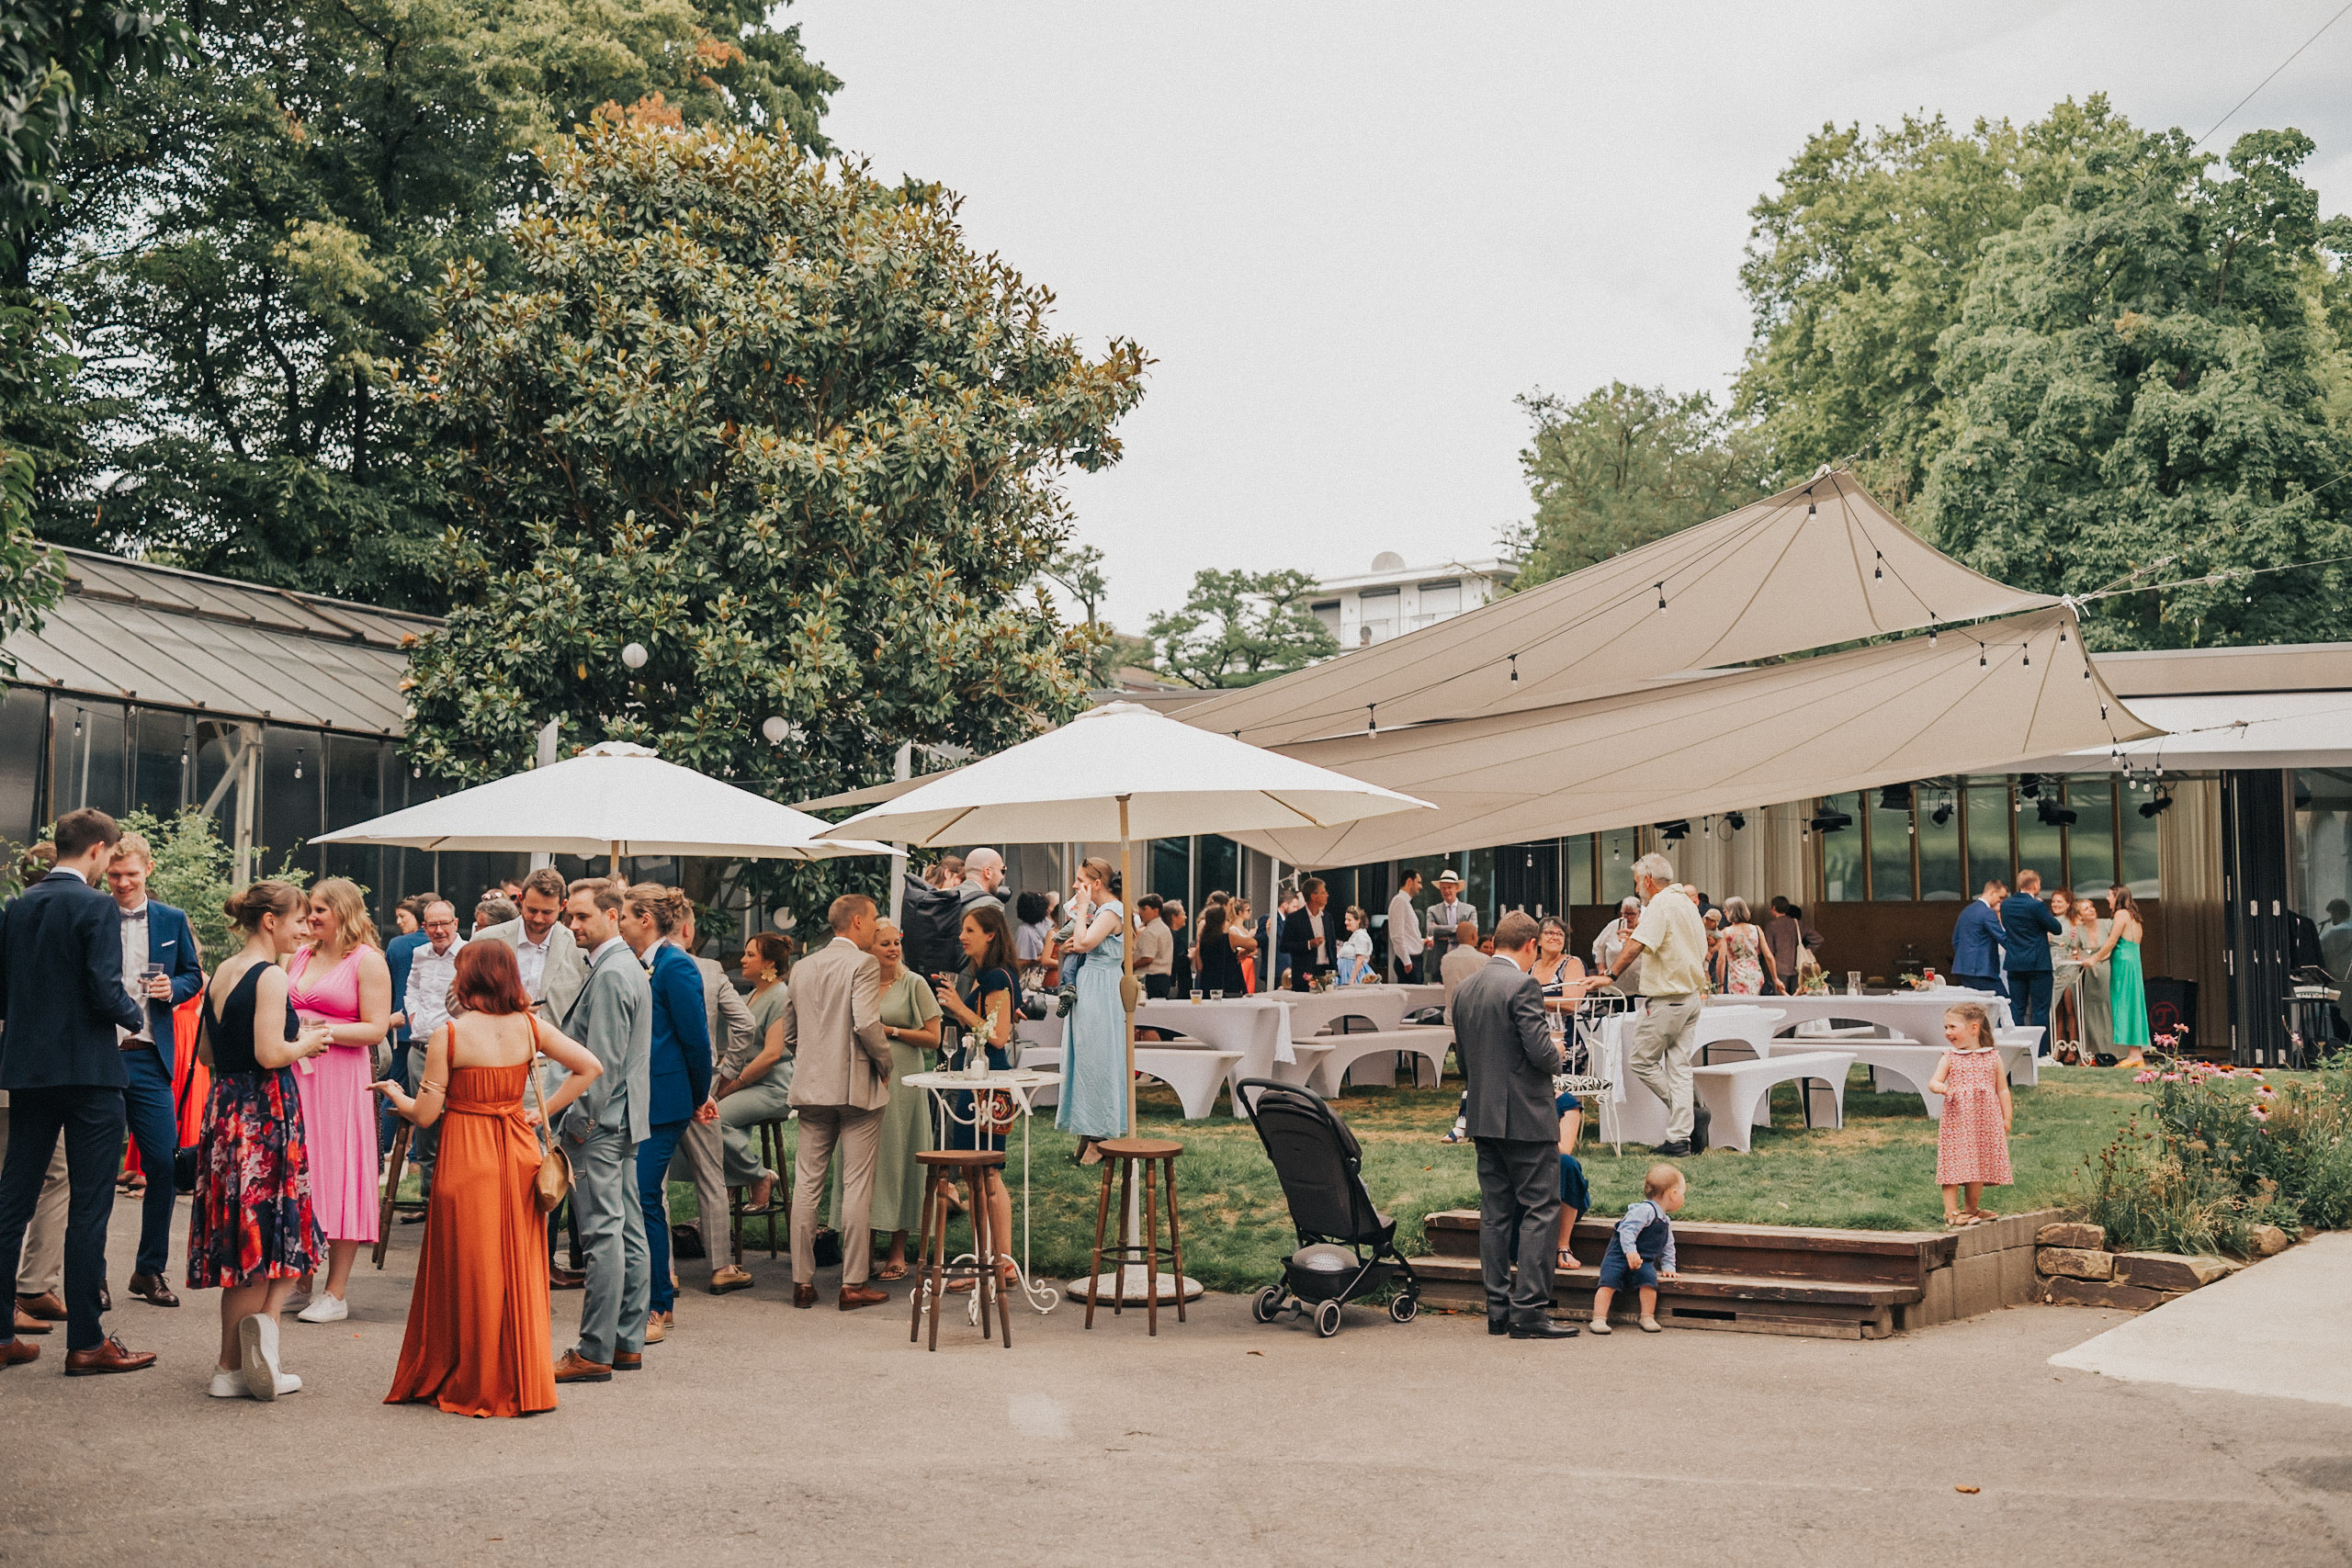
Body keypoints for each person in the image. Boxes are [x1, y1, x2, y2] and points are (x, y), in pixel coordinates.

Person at [376, 941, 603, 1416]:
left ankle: (474, 1374)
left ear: (469, 979)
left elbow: (426, 1114)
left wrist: (395, 1093)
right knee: (516, 1265)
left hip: (466, 1157)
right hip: (518, 1151)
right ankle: (519, 1376)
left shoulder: (450, 1035)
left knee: (471, 1268)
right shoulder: (529, 1026)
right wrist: (541, 1114)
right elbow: (590, 1067)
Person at [0, 808, 158, 1375]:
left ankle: (0, 1335)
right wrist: (134, 1016)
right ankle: (88, 1342)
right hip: (90, 1071)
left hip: (29, 1070)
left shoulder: (19, 906)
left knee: (12, 1201)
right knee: (89, 1207)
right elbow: (102, 988)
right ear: (97, 849)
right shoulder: (96, 906)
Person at [187, 882, 334, 1398]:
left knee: (247, 1239)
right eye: (299, 920)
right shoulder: (270, 975)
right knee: (271, 1235)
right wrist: (307, 1042)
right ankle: (237, 1363)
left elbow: (206, 1054)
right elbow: (272, 1054)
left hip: (226, 1111)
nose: (306, 929)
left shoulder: (224, 971)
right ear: (270, 921)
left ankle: (242, 1360)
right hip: (265, 1113)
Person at [1453, 910, 1573, 1340]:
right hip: (1526, 1115)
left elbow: (1463, 1060)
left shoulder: (1465, 989)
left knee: (1495, 1213)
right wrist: (1557, 1051)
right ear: (1530, 945)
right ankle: (1530, 1311)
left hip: (1483, 1115)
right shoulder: (1523, 985)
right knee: (1541, 1209)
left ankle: (1498, 1310)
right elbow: (1541, 1053)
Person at [552, 877, 651, 1382]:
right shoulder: (623, 966)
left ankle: (595, 1350)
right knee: (626, 1230)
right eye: (570, 916)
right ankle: (625, 1343)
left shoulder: (613, 971)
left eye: (582, 916)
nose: (573, 925)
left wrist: (579, 1122)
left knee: (603, 1235)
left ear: (613, 915)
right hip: (623, 1118)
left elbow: (604, 1062)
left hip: (602, 1122)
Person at [102, 832, 206, 1309]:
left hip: (148, 1055)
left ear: (148, 869)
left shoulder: (171, 918)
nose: (123, 883)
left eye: (131, 874)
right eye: (114, 875)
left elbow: (192, 974)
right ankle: (93, 1275)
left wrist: (173, 988)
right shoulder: (94, 913)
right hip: (101, 1055)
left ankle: (149, 1269)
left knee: (163, 1164)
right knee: (98, 1169)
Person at [282, 878, 392, 1325]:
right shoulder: (299, 954)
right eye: (309, 909)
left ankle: (336, 1291)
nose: (310, 917)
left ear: (344, 912)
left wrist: (322, 1031)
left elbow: (376, 1028)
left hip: (341, 1078)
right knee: (303, 1171)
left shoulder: (369, 961)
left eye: (319, 910)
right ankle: (301, 1281)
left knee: (340, 1171)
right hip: (297, 1073)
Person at [786, 893, 892, 1312]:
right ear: (858, 922)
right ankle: (853, 1283)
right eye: (874, 918)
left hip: (810, 1088)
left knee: (806, 1184)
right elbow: (866, 1023)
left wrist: (811, 1059)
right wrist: (884, 1062)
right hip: (854, 1087)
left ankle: (802, 1282)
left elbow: (790, 1033)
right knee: (856, 1184)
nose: (877, 924)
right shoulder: (863, 964)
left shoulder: (802, 966)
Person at [617, 885, 713, 1344]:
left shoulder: (676, 965)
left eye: (623, 915)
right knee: (635, 1197)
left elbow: (696, 1039)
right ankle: (644, 1296)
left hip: (666, 1100)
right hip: (633, 1097)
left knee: (643, 1196)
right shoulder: (632, 962)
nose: (618, 922)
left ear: (646, 919)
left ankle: (658, 1303)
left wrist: (698, 1096)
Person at [662, 898, 756, 1297]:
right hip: (701, 1088)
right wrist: (725, 1074)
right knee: (711, 1177)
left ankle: (664, 1270)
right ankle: (721, 1267)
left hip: (657, 1085)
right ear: (687, 929)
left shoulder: (641, 966)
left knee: (656, 1184)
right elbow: (745, 1024)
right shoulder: (709, 969)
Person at [841, 919, 937, 1281]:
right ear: (869, 949)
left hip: (902, 1080)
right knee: (865, 1160)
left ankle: (897, 1251)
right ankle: (862, 1249)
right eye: (885, 944)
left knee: (899, 1157)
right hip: (862, 1077)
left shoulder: (914, 984)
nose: (894, 949)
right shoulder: (859, 983)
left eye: (896, 943)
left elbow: (934, 1037)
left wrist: (891, 1030)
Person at [931, 905, 1021, 1289]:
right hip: (981, 1080)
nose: (962, 937)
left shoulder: (997, 976)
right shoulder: (989, 976)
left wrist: (958, 1007)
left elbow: (997, 1036)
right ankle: (992, 1262)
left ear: (990, 934)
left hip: (989, 1083)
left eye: (970, 930)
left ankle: (996, 1263)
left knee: (986, 1172)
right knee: (976, 1174)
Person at [1595, 855, 1709, 1157]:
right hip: (1690, 997)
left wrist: (1610, 975)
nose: (1637, 889)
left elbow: (1637, 944)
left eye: (1636, 882)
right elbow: (1701, 949)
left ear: (1647, 880)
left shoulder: (1660, 904)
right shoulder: (1687, 902)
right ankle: (1679, 1138)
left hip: (1667, 999)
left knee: (1641, 1061)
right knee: (1680, 1068)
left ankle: (1687, 1120)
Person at [393, 897, 467, 1216]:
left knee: (458, 1125)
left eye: (444, 924)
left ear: (455, 923)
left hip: (456, 1051)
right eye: (432, 925)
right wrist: (413, 1016)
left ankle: (456, 1204)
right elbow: (410, 988)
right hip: (421, 1049)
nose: (439, 930)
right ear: (424, 927)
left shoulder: (468, 954)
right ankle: (429, 1201)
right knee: (426, 1126)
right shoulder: (419, 953)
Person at [717, 932, 797, 1224]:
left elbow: (771, 1055)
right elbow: (737, 1049)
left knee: (715, 1119)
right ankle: (731, 1177)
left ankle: (758, 1177)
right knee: (698, 1112)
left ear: (769, 963)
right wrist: (717, 1081)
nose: (742, 960)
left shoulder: (781, 997)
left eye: (750, 954)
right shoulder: (750, 996)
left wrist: (732, 1085)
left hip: (773, 1086)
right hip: (748, 1083)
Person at [1056, 858, 1128, 1158]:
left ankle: (1099, 1136)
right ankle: (1087, 1130)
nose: (1075, 885)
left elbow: (1083, 943)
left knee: (1097, 1058)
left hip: (1101, 987)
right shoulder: (1101, 912)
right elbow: (1074, 943)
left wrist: (1083, 907)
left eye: (1080, 880)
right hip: (1090, 984)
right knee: (1084, 1057)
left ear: (1096, 883)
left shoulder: (1111, 911)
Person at [1927, 1001, 2011, 1227]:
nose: (1947, 1032)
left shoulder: (1992, 1057)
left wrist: (2006, 1117)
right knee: (1954, 1163)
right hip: (1958, 1121)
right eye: (1946, 1027)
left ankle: (1972, 1208)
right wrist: (1939, 1087)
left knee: (1979, 1162)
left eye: (1952, 1027)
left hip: (1985, 1121)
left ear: (1974, 1028)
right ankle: (1951, 1212)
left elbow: (2002, 1089)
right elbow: (1934, 1081)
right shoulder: (1950, 1057)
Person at [472, 869, 588, 1026]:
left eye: (547, 912)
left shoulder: (579, 947)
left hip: (555, 1041)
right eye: (532, 910)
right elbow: (456, 1001)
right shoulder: (485, 940)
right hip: (496, 1038)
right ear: (520, 900)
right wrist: (504, 1007)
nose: (538, 919)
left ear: (563, 906)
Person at [1587, 1164, 1683, 1335]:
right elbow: (1627, 1230)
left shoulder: (1665, 1220)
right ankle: (1599, 1318)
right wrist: (1630, 1251)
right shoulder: (1644, 1211)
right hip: (1619, 1255)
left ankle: (1647, 1316)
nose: (1683, 1198)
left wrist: (1669, 1266)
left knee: (1649, 1281)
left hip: (1643, 1259)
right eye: (1683, 1194)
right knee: (1608, 1281)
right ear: (1673, 1194)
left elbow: (1668, 1246)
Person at [381, 894, 433, 1160]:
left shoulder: (397, 945)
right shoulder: (440, 944)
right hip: (434, 1029)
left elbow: (389, 982)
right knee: (430, 1091)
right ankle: (415, 1154)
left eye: (403, 916)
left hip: (401, 1025)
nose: (399, 922)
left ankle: (382, 1145)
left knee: (395, 1086)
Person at [1999, 870, 2065, 1048]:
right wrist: (2042, 911)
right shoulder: (2036, 906)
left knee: (2017, 1009)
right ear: (2035, 885)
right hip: (2038, 964)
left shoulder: (2006, 905)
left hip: (2015, 962)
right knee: (2040, 1010)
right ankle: (2040, 1051)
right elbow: (2056, 928)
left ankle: (2017, 1048)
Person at [2090, 886, 2151, 1068]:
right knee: (2133, 1004)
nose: (2107, 899)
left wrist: (2094, 958)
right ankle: (2136, 1053)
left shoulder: (2121, 914)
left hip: (2123, 965)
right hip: (2132, 961)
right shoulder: (2133, 916)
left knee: (2125, 1004)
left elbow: (2112, 941)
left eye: (2110, 895)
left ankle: (2134, 1055)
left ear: (2118, 897)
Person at [2064, 896, 2112, 1064]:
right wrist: (2079, 955)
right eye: (2086, 908)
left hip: (2108, 968)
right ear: (2080, 915)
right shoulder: (2079, 930)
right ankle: (2095, 1051)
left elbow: (2113, 944)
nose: (2091, 910)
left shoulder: (2107, 924)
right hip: (2089, 972)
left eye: (2092, 907)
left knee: (2109, 1006)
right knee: (2091, 1010)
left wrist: (2097, 958)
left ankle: (2114, 1050)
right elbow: (2074, 949)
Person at [1951, 879, 2007, 997]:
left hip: (1963, 968)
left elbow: (1956, 941)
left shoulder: (1966, 911)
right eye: (2000, 897)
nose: (2001, 901)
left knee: (1975, 1004)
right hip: (1982, 970)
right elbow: (2003, 938)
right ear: (1992, 893)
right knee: (2003, 1002)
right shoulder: (1987, 913)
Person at [1713, 897, 1778, 998]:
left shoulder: (1726, 933)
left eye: (1725, 910)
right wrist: (1775, 978)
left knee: (1740, 1004)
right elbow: (1769, 956)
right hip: (1755, 974)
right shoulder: (1756, 929)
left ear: (1730, 912)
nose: (1724, 913)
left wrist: (1720, 984)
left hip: (1737, 975)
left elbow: (1721, 960)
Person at [1281, 876, 1337, 990]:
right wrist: (1309, 944)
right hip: (1304, 973)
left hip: (1326, 972)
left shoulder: (1327, 917)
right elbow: (1284, 946)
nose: (1327, 895)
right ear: (1313, 896)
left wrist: (1334, 969)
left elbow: (1332, 945)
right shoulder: (1294, 919)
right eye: (1323, 892)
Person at [1761, 897, 1823, 995]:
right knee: (1796, 998)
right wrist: (1807, 950)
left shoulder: (1771, 926)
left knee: (1780, 998)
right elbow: (1818, 938)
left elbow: (1769, 951)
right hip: (1797, 967)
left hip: (1779, 969)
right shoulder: (1797, 923)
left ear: (1774, 908)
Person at [1193, 904, 1250, 998]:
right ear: (1223, 922)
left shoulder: (1202, 942)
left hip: (1208, 986)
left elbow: (1199, 967)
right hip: (1229, 986)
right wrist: (1245, 951)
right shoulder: (1229, 938)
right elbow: (1253, 944)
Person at [1591, 897, 1644, 993]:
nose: (1628, 917)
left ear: (1639, 913)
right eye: (1625, 913)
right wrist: (1601, 970)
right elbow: (1598, 947)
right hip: (1614, 987)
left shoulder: (1644, 927)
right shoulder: (1613, 925)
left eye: (1632, 914)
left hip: (1639, 987)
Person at [1439, 913, 1486, 1011]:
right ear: (1474, 936)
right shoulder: (1485, 960)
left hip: (1451, 1015)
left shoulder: (1445, 959)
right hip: (1475, 1016)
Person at [1424, 871, 1473, 964]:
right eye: (1443, 888)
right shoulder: (1432, 910)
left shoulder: (1470, 910)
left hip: (1463, 959)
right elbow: (1430, 930)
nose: (1446, 891)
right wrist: (1460, 928)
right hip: (1438, 961)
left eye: (1449, 887)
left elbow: (1472, 932)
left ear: (1456, 888)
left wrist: (1439, 929)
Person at [1132, 894, 1174, 999]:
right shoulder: (1164, 928)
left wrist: (1130, 966)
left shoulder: (1150, 931)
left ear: (1155, 911)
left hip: (1152, 979)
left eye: (1144, 909)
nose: (1140, 912)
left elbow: (1148, 958)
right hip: (1163, 978)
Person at [1387, 869, 1425, 983]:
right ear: (1409, 881)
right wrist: (1406, 961)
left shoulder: (1405, 902)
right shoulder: (1400, 901)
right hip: (1409, 962)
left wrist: (1423, 941)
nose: (1421, 886)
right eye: (1418, 882)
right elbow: (1397, 935)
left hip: (1413, 960)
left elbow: (1409, 934)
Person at [1335, 907, 1373, 986]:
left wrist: (1352, 979)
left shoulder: (1361, 935)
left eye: (1349, 920)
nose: (1345, 922)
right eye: (1345, 919)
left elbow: (1360, 959)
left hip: (1355, 976)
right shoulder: (1355, 936)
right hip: (1347, 975)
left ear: (1358, 921)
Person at [1165, 899, 1192, 999]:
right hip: (1177, 984)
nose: (1185, 917)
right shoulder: (1173, 936)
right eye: (1183, 914)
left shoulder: (1172, 934)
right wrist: (1191, 955)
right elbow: (1179, 960)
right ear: (1174, 917)